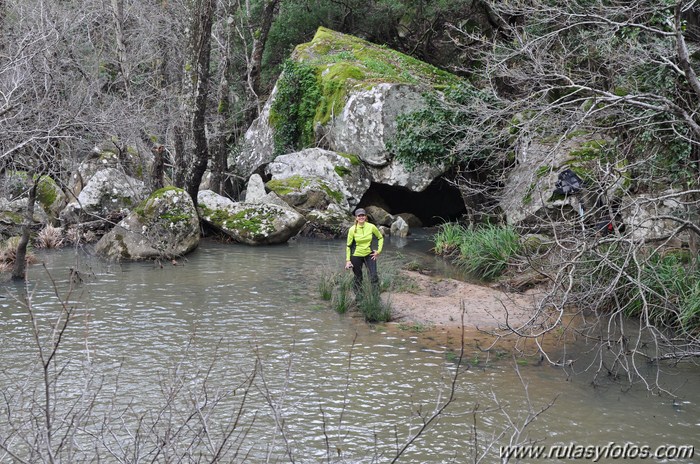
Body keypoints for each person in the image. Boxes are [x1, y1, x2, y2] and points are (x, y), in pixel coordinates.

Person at [345, 208, 384, 294]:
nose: (361, 217)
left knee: (373, 276)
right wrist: (348, 261)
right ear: (356, 218)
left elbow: (380, 237)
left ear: (365, 217)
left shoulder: (371, 227)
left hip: (369, 255)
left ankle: (375, 296)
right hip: (356, 256)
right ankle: (358, 297)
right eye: (359, 215)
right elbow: (348, 246)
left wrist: (378, 251)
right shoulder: (352, 229)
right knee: (358, 277)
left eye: (363, 215)